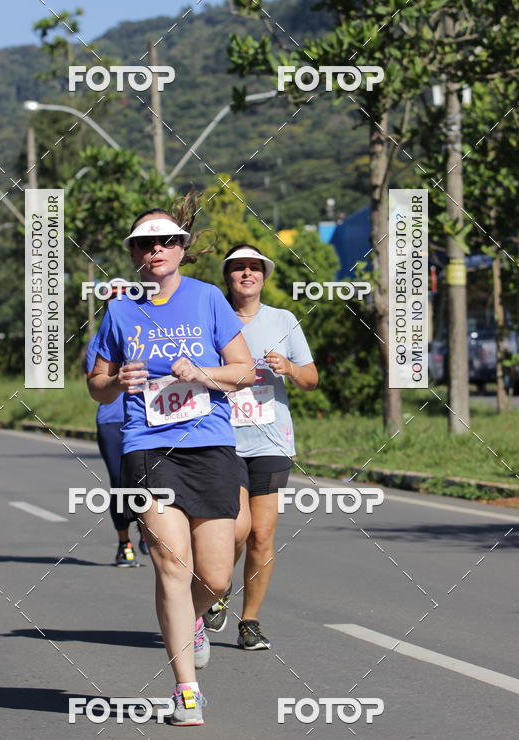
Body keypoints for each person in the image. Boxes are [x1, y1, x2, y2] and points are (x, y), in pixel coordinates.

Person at [87, 199, 255, 726]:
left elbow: (245, 370)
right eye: (144, 243)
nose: (155, 250)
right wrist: (118, 383)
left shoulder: (208, 299)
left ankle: (197, 619)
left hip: (210, 444)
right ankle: (187, 690)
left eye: (165, 242)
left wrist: (202, 372)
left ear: (181, 248)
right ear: (134, 254)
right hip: (148, 445)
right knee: (172, 564)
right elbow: (96, 385)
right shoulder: (118, 309)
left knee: (216, 575)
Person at [203, 244, 318, 651]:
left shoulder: (283, 320)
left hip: (271, 439)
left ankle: (249, 621)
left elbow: (311, 379)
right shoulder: (211, 316)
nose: (247, 274)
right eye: (238, 269)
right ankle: (217, 590)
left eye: (254, 268)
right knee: (236, 530)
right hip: (222, 438)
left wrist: (289, 368)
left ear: (264, 276)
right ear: (228, 277)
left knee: (263, 536)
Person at [84, 283, 149, 567]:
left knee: (150, 482)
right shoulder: (99, 342)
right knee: (120, 483)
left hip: (147, 418)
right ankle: (124, 543)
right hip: (112, 419)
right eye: (112, 297)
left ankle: (149, 530)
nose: (118, 301)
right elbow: (94, 383)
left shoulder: (147, 333)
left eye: (124, 297)